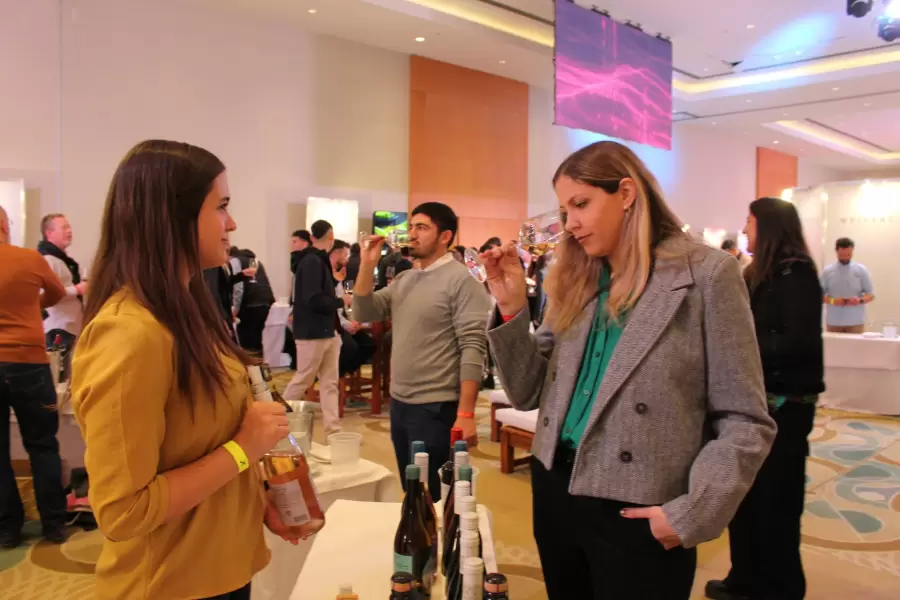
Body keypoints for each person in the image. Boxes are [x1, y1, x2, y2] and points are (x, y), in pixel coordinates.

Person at [481, 141, 776, 600]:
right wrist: (511, 307)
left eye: (581, 204)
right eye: (564, 211)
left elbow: (745, 419)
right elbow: (526, 392)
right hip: (555, 486)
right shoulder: (576, 277)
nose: (571, 224)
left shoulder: (707, 275)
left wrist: (690, 514)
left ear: (626, 193)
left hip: (639, 505)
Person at [70, 140, 296, 600]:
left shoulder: (187, 309)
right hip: (171, 584)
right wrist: (242, 449)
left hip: (220, 569)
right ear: (173, 217)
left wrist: (252, 494)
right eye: (222, 207)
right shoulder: (130, 334)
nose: (231, 223)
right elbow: (124, 511)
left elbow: (197, 442)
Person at [706, 197, 824, 600]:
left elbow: (795, 343)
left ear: (769, 226)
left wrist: (736, 348)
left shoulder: (798, 274)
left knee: (777, 504)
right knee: (745, 498)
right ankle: (745, 580)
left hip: (785, 409)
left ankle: (780, 588)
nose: (744, 228)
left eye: (749, 221)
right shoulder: (760, 272)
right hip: (755, 404)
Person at [353, 202, 491, 502]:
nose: (412, 234)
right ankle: (419, 545)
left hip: (436, 406)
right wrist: (367, 263)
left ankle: (439, 547)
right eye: (411, 226)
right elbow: (362, 309)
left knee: (438, 495)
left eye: (422, 227)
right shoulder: (406, 278)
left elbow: (473, 346)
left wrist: (466, 413)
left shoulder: (462, 280)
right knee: (412, 490)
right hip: (401, 402)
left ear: (445, 236)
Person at [0, 205, 68, 548]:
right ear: (4, 225)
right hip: (28, 360)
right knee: (43, 446)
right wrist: (31, 302)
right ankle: (54, 524)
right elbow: (57, 293)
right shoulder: (29, 258)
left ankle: (8, 529)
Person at [283, 220, 349, 435]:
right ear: (330, 236)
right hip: (314, 331)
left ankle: (333, 429)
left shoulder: (315, 260)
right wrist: (341, 301)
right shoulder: (312, 261)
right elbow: (313, 299)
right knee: (304, 378)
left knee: (329, 383)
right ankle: (277, 420)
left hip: (327, 330)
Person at [38, 213, 85, 377]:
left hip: (69, 327)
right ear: (49, 233)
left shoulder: (62, 260)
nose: (69, 231)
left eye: (69, 227)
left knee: (66, 376)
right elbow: (46, 293)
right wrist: (77, 290)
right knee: (59, 377)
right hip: (58, 328)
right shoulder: (47, 260)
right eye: (64, 227)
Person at [329, 240, 376, 376]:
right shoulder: (326, 276)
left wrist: (352, 321)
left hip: (342, 321)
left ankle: (344, 376)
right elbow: (333, 308)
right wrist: (346, 324)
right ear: (335, 254)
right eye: (345, 254)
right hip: (332, 326)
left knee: (369, 345)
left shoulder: (338, 276)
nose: (346, 259)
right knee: (351, 349)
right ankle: (337, 377)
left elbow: (343, 307)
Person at [820, 237, 874, 333]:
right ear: (836, 251)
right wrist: (833, 301)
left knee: (856, 348)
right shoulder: (827, 271)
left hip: (855, 322)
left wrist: (859, 300)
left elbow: (871, 295)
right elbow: (818, 296)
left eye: (848, 254)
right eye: (842, 255)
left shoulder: (861, 270)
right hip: (834, 322)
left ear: (853, 251)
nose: (845, 257)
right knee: (834, 348)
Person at [231, 248, 275, 355]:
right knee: (256, 340)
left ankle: (253, 368)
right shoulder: (255, 261)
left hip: (249, 305)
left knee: (247, 342)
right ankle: (260, 368)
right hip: (265, 303)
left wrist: (235, 309)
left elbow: (239, 287)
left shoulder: (235, 261)